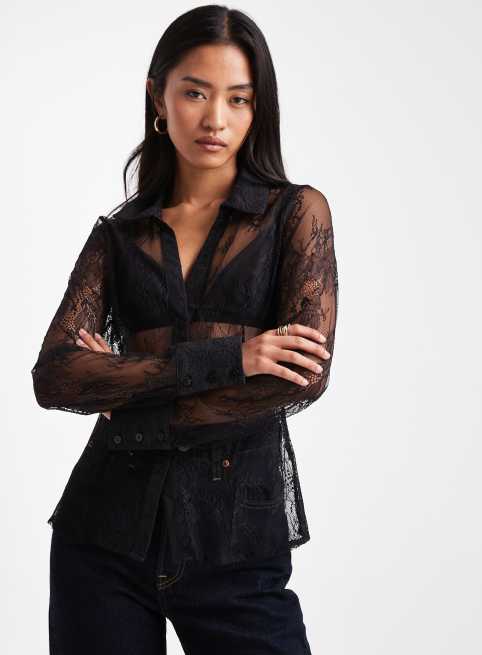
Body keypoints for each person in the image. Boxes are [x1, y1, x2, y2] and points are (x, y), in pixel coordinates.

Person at [31, 5, 338, 654]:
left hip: (236, 545)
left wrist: (123, 388)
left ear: (257, 108)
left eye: (238, 98)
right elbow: (54, 375)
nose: (215, 118)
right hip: (102, 540)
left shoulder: (294, 215)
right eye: (195, 92)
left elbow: (298, 379)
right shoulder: (118, 236)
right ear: (158, 97)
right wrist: (236, 356)